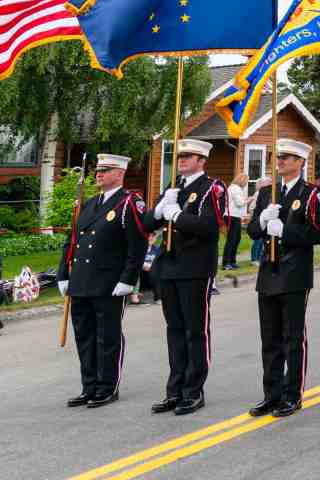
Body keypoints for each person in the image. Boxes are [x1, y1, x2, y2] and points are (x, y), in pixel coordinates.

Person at [57, 154, 149, 409]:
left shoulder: (129, 203)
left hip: (109, 282)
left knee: (107, 337)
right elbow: (71, 240)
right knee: (84, 336)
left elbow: (137, 244)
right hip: (81, 281)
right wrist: (63, 274)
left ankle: (107, 387)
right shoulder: (88, 204)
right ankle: (89, 386)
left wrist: (128, 279)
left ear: (119, 174)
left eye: (105, 170)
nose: (98, 175)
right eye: (97, 171)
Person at [143, 139, 227, 416]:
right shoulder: (172, 187)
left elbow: (211, 227)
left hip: (194, 268)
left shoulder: (211, 188)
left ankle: (193, 391)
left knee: (195, 331)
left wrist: (177, 215)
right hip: (169, 268)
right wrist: (159, 210)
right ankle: (174, 390)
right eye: (180, 156)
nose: (181, 160)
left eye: (188, 156)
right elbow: (147, 223)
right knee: (174, 331)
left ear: (202, 160)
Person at [247, 138, 320, 419]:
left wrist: (285, 232)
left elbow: (317, 234)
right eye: (278, 157)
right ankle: (272, 394)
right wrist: (261, 221)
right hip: (268, 272)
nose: (279, 161)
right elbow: (252, 234)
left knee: (292, 338)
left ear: (301, 162)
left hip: (294, 273)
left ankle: (292, 395)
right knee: (269, 339)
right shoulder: (267, 193)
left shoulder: (311, 194)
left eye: (286, 157)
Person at [222, 174, 250, 271]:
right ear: (242, 180)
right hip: (232, 216)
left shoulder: (233, 188)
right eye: (246, 181)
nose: (246, 183)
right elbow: (239, 203)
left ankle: (232, 261)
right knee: (232, 240)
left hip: (234, 216)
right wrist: (248, 200)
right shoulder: (236, 189)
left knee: (236, 239)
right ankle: (226, 263)